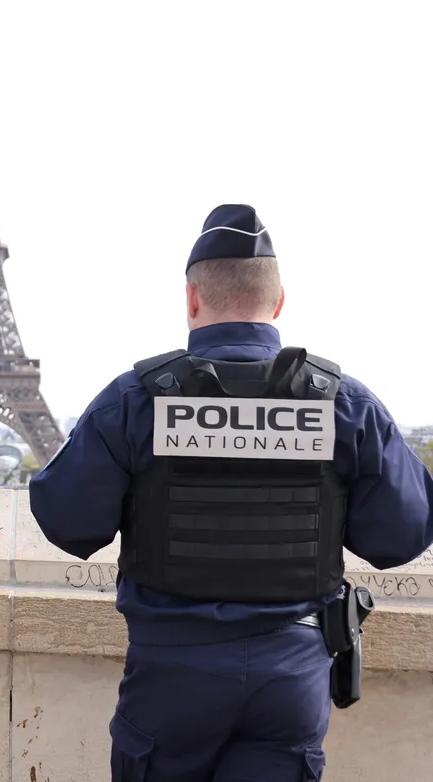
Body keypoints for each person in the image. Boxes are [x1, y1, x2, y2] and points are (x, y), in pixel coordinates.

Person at [29, 204, 433, 782]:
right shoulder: (344, 402)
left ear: (192, 299)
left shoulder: (136, 398)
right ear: (279, 302)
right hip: (291, 674)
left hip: (172, 677)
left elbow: (69, 523)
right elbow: (400, 537)